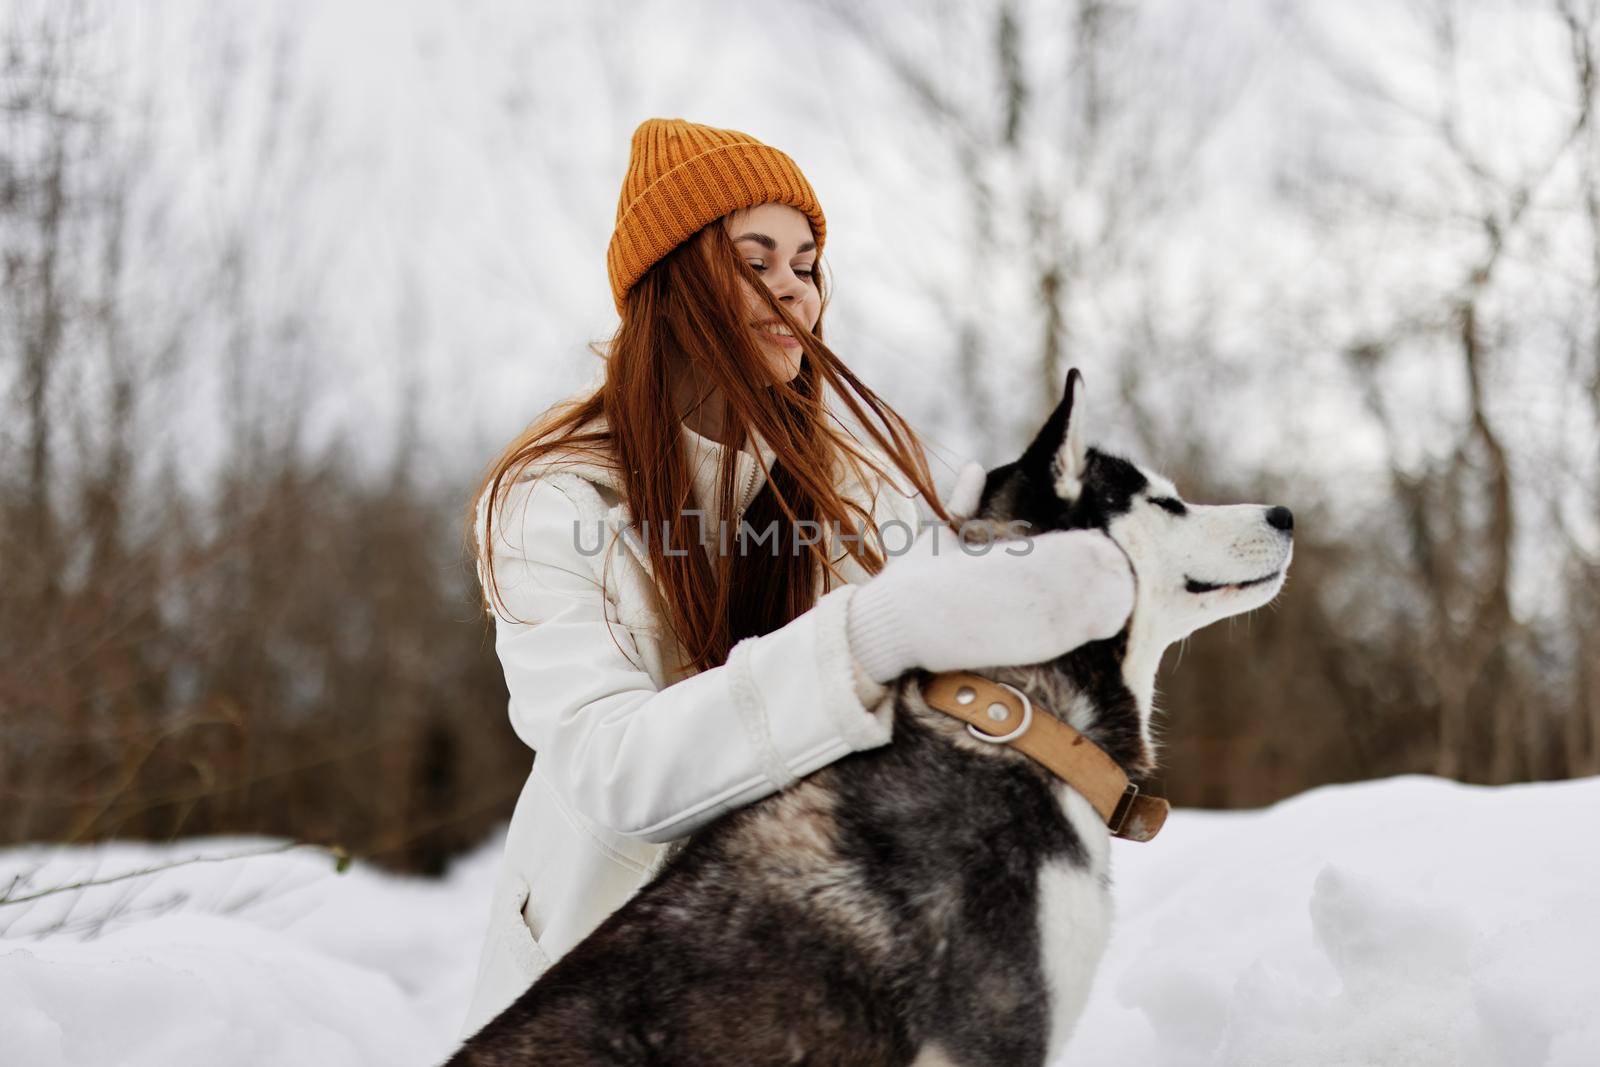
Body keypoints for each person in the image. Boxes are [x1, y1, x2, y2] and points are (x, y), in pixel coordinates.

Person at [457, 118, 1135, 1038]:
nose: (791, 290)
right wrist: (862, 642)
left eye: (807, 264)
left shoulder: (846, 474)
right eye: (755, 259)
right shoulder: (551, 500)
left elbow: (984, 520)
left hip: (796, 980)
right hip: (597, 991)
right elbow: (612, 767)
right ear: (675, 284)